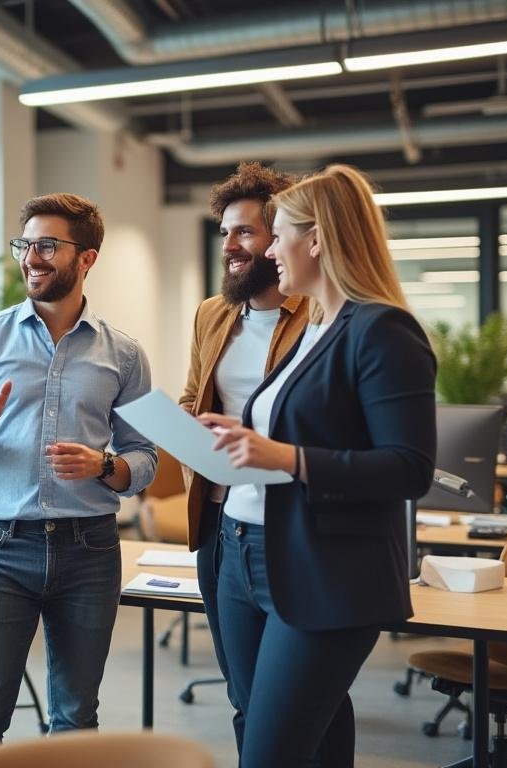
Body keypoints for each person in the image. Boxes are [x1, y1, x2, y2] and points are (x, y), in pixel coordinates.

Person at [199, 164, 436, 767]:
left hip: (321, 568)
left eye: (277, 235)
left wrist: (285, 456)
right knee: (285, 734)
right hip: (243, 550)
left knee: (270, 755)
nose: (269, 250)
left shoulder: (381, 328)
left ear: (318, 240)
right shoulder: (315, 327)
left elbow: (409, 468)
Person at [0, 193, 158, 766]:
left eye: (48, 245)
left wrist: (103, 466)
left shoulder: (126, 355)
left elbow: (146, 457)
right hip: (0, 548)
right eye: (25, 244)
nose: (32, 256)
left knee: (76, 718)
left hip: (90, 549)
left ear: (88, 258)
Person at [179, 161, 318, 755]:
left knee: (307, 696)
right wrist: (189, 427)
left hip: (290, 518)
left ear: (281, 237)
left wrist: (254, 440)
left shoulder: (317, 314)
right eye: (225, 233)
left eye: (246, 233)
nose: (231, 247)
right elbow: (194, 394)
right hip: (219, 516)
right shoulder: (215, 313)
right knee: (244, 690)